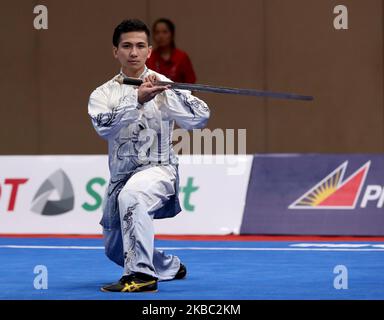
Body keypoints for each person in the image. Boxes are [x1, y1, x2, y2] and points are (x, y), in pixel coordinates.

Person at [87, 19, 210, 293]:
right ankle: (169, 266)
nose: (133, 52)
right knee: (116, 251)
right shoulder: (102, 94)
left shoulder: (164, 86)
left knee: (133, 196)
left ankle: (141, 276)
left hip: (159, 169)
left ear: (149, 51)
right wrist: (138, 99)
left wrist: (169, 89)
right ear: (115, 51)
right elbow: (103, 126)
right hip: (120, 177)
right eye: (127, 46)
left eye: (140, 46)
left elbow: (200, 118)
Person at [146, 18, 197, 83]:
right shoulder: (149, 57)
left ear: (172, 34)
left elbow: (191, 83)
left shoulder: (182, 57)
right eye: (157, 32)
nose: (160, 36)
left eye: (165, 32)